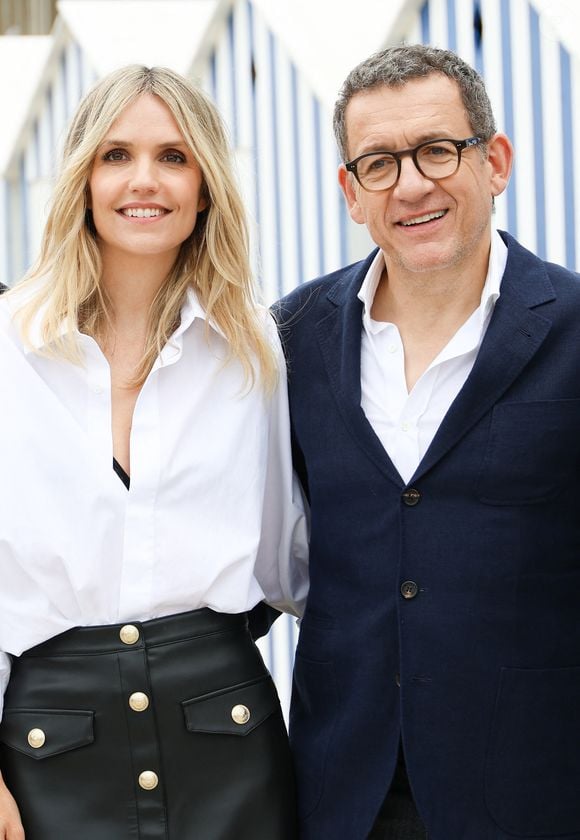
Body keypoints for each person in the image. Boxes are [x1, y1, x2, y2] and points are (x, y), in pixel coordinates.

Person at [276, 43, 580, 840]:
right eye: (379, 163)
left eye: (438, 151)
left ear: (496, 161)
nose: (412, 184)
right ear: (351, 192)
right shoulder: (292, 339)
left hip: (538, 790)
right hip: (344, 794)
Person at [0, 65, 308, 840]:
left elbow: (284, 560)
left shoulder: (252, 348)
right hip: (46, 748)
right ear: (80, 179)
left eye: (174, 156)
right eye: (116, 155)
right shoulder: (8, 349)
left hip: (230, 741)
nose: (146, 180)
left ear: (205, 186)